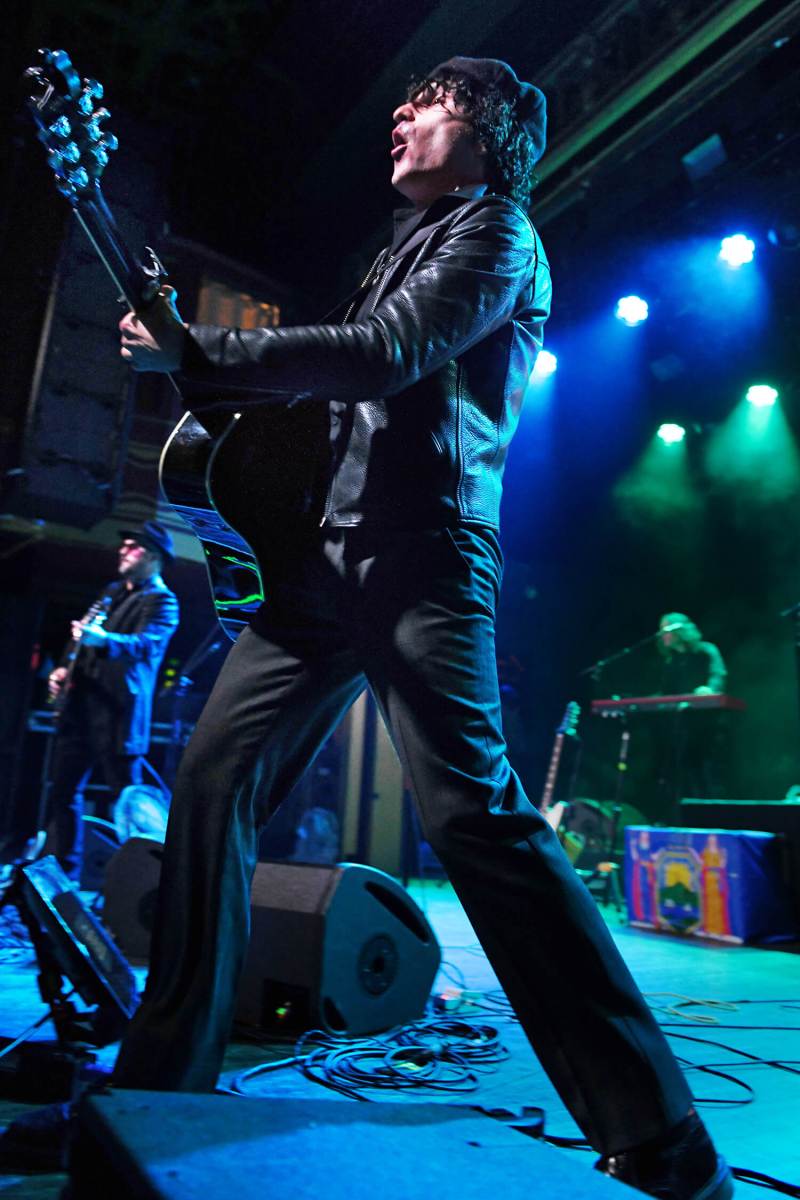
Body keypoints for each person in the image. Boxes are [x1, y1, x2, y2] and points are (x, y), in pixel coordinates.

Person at [3, 57, 730, 1198]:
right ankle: (163, 1085)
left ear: (486, 134)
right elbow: (311, 389)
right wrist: (191, 347)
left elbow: (386, 352)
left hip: (423, 561)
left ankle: (662, 1137)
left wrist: (204, 347)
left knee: (477, 824)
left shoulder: (497, 239)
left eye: (427, 103)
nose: (396, 112)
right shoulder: (402, 244)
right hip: (316, 580)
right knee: (207, 786)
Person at [44, 522, 180, 880]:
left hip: (118, 717)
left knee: (129, 804)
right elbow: (81, 642)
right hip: (81, 713)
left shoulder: (162, 600)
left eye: (132, 546)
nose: (122, 550)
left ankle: (136, 883)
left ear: (152, 556)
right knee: (62, 794)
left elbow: (146, 645)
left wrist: (103, 639)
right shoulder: (111, 593)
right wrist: (62, 671)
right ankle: (63, 876)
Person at [654, 613, 730, 804]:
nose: (663, 634)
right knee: (679, 774)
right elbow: (665, 694)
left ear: (680, 630)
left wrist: (709, 689)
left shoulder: (706, 651)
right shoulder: (672, 662)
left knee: (705, 773)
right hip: (680, 728)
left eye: (666, 629)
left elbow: (718, 676)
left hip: (707, 726)